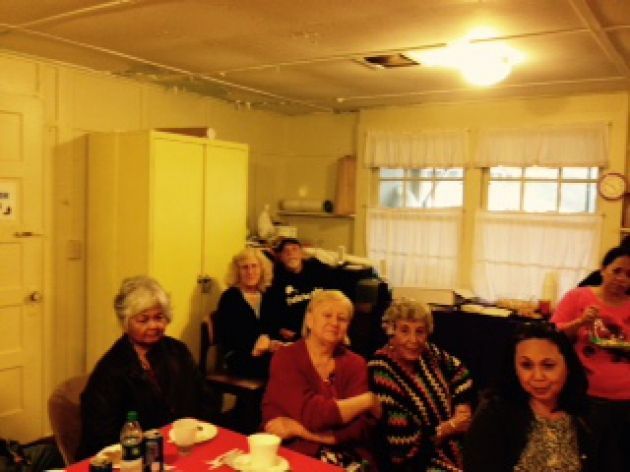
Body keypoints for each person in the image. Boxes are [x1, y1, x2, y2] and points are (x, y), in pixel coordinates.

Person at [77, 276, 216, 460]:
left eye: (159, 317)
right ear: (125, 323)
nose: (153, 326)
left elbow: (205, 398)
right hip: (134, 457)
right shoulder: (110, 369)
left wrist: (197, 434)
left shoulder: (178, 351)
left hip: (184, 448)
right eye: (143, 320)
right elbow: (101, 435)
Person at [262, 290, 380, 468]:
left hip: (348, 455)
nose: (334, 323)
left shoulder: (356, 364)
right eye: (327, 315)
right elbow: (313, 415)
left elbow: (360, 428)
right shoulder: (286, 358)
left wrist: (299, 430)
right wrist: (366, 400)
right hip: (292, 453)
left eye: (342, 318)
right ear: (309, 320)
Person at [464, 322, 603, 472]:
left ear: (568, 367)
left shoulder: (591, 416)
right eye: (526, 365)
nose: (537, 377)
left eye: (548, 366)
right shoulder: (493, 414)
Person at [368, 299, 473, 472]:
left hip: (457, 450)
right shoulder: (380, 370)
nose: (413, 340)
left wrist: (462, 405)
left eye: (420, 331)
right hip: (415, 464)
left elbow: (460, 372)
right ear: (391, 330)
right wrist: (450, 427)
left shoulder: (428, 353)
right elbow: (403, 442)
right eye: (404, 330)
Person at [551, 245, 630, 470]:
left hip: (626, 402)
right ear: (603, 269)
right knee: (583, 460)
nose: (622, 279)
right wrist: (580, 322)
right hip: (586, 396)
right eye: (616, 271)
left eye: (629, 275)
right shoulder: (579, 297)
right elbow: (552, 336)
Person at [214, 247, 278, 379]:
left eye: (254, 266)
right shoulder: (229, 297)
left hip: (266, 353)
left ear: (262, 269)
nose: (250, 272)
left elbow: (273, 326)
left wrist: (270, 342)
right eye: (245, 267)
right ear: (237, 272)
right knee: (281, 368)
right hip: (239, 355)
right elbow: (229, 335)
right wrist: (257, 345)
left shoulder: (268, 295)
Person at [266, 238, 335, 341]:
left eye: (294, 249)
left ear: (301, 253)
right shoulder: (275, 280)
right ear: (280, 257)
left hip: (323, 329)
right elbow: (272, 318)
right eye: (286, 251)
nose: (290, 254)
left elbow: (335, 298)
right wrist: (287, 333)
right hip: (294, 337)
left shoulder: (318, 270)